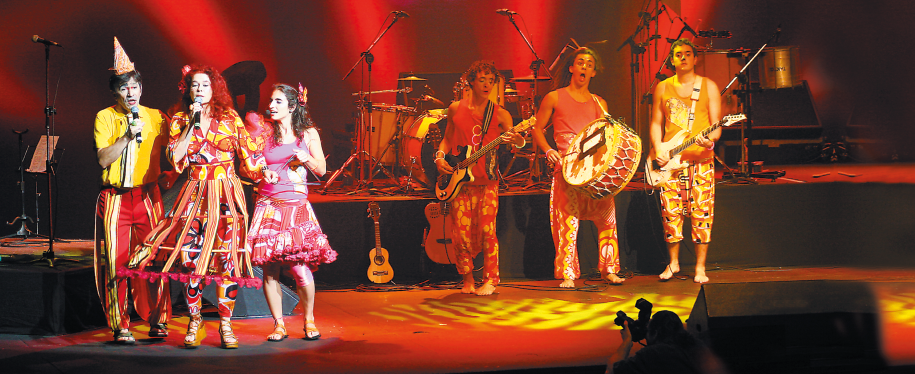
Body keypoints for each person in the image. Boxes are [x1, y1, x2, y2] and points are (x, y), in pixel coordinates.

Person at [123, 64, 266, 349]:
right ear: (188, 90)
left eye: (204, 84)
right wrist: (191, 124)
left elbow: (249, 161)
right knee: (192, 262)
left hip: (226, 197)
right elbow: (175, 159)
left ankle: (226, 324)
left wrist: (266, 171)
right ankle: (194, 320)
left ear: (215, 89)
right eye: (194, 85)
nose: (198, 89)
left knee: (226, 262)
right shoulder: (179, 119)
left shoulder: (230, 118)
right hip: (195, 197)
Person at [93, 37, 172, 344]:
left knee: (154, 258)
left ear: (141, 88)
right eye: (124, 88)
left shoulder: (155, 116)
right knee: (117, 261)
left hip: (148, 196)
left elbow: (175, 149)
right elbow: (103, 158)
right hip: (116, 199)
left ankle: (158, 320)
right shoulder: (106, 117)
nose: (130, 93)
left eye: (135, 87)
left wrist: (171, 173)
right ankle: (120, 325)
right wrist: (127, 136)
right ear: (115, 91)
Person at [245, 83, 337, 341]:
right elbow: (251, 166)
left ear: (293, 106)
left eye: (277, 102)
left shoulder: (307, 134)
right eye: (271, 101)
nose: (271, 106)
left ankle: (309, 320)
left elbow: (321, 170)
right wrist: (264, 172)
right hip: (268, 205)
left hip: (295, 206)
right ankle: (279, 324)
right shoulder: (264, 134)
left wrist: (304, 157)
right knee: (270, 268)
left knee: (298, 267)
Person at [531, 47, 624, 288]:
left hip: (595, 173)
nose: (584, 66)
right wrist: (549, 150)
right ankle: (568, 274)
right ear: (571, 68)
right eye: (580, 62)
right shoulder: (554, 97)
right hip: (567, 170)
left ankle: (609, 268)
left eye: (589, 64)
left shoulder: (599, 102)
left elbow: (608, 136)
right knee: (567, 223)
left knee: (607, 220)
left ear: (594, 72)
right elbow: (537, 129)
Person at [433, 60, 523, 296]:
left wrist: (517, 141)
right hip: (460, 181)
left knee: (487, 232)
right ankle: (467, 279)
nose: (487, 85)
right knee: (460, 234)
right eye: (482, 79)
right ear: (470, 81)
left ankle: (491, 279)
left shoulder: (500, 113)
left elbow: (515, 141)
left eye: (491, 81)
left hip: (487, 181)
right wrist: (440, 157)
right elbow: (447, 139)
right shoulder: (455, 108)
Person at [649, 39, 721, 284]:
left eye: (688, 54)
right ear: (671, 60)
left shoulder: (708, 86)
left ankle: (700, 267)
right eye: (678, 54)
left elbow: (716, 127)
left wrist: (708, 142)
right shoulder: (662, 87)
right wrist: (658, 147)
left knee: (702, 214)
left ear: (695, 58)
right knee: (671, 213)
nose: (683, 58)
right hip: (670, 163)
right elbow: (656, 123)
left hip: (700, 161)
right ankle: (674, 263)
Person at [606, 310, 728, 374]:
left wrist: (627, 341)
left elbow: (611, 370)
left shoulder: (654, 354)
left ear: (655, 333)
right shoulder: (698, 346)